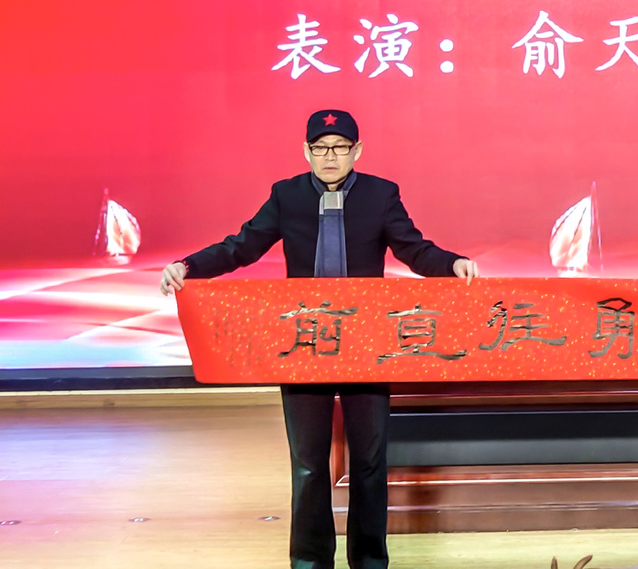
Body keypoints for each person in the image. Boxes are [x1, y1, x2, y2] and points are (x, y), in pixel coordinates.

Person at [160, 109, 476, 569]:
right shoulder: (286, 195)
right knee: (308, 465)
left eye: (340, 147)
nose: (330, 156)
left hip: (366, 345)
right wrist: (187, 266)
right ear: (306, 152)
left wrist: (451, 264)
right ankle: (309, 562)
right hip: (305, 343)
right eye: (321, 148)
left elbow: (414, 248)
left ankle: (370, 561)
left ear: (357, 151)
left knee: (369, 462)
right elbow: (241, 247)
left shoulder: (380, 194)